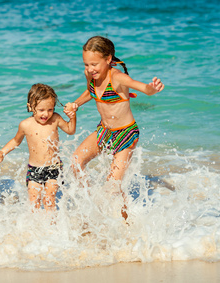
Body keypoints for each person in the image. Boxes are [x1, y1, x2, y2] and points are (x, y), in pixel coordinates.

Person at [64, 36, 164, 220]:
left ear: (108, 59)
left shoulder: (118, 78)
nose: (89, 69)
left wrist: (153, 89)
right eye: (86, 64)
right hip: (104, 131)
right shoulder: (90, 75)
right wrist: (76, 104)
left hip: (125, 135)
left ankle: (126, 223)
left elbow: (143, 88)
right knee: (76, 161)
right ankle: (93, 202)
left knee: (112, 187)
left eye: (94, 64)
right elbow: (90, 91)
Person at [0, 83, 76, 211]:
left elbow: (70, 130)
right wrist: (2, 152)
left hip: (54, 167)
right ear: (31, 107)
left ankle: (52, 227)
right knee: (33, 202)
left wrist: (73, 117)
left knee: (49, 199)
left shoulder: (56, 119)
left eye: (50, 109)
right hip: (34, 169)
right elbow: (16, 141)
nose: (46, 114)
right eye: (41, 110)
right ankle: (36, 229)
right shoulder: (25, 125)